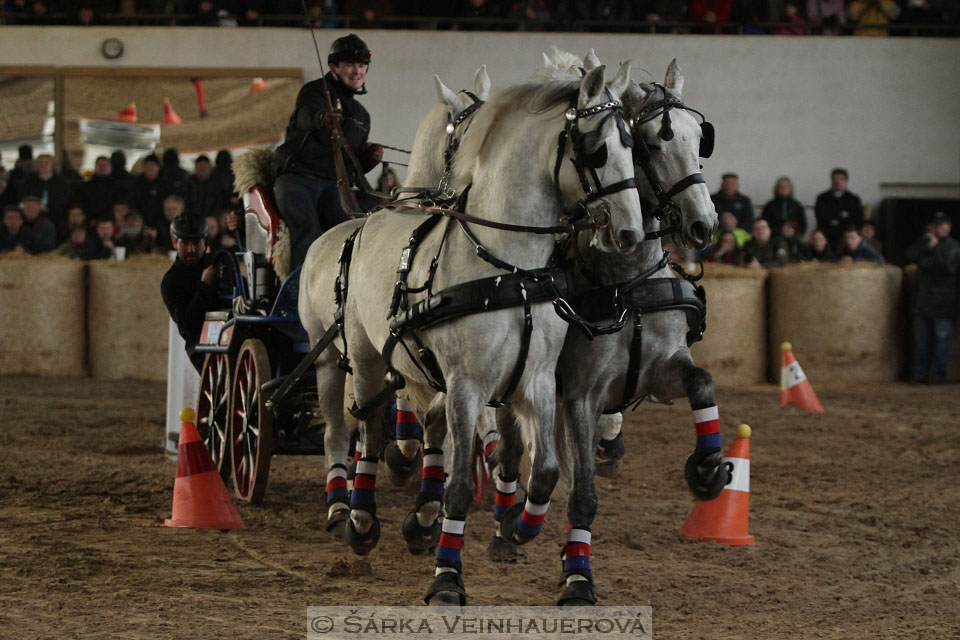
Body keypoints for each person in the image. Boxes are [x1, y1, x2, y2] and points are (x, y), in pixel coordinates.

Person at [273, 33, 384, 268]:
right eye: (350, 65)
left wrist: (368, 159)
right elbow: (305, 116)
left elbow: (351, 167)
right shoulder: (314, 91)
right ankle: (299, 290)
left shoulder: (362, 116)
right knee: (307, 229)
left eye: (362, 65)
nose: (358, 71)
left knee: (352, 229)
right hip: (296, 179)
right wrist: (321, 117)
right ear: (333, 67)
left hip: (334, 184)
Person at [160, 214, 221, 373]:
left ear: (204, 242)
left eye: (196, 243)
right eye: (185, 243)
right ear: (174, 242)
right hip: (202, 346)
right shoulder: (171, 281)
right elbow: (187, 321)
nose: (191, 249)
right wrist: (205, 285)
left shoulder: (219, 264)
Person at [905, 212, 960, 384]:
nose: (938, 228)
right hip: (924, 301)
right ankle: (919, 375)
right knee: (921, 341)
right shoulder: (927, 242)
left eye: (941, 225)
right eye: (935, 225)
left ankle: (937, 376)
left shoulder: (953, 246)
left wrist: (923, 262)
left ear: (948, 227)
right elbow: (910, 255)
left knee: (941, 340)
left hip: (943, 302)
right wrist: (927, 246)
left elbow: (946, 266)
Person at [21, 153, 71, 242]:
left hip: (57, 215)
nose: (43, 165)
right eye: (40, 163)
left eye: (46, 163)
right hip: (33, 217)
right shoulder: (29, 182)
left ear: (52, 165)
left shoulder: (61, 183)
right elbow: (23, 199)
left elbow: (66, 200)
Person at [815, 168, 864, 252]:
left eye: (841, 179)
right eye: (835, 179)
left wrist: (834, 218)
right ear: (831, 181)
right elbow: (821, 217)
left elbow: (857, 218)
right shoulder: (822, 198)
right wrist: (843, 216)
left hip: (847, 237)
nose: (837, 182)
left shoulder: (854, 199)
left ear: (846, 181)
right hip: (827, 236)